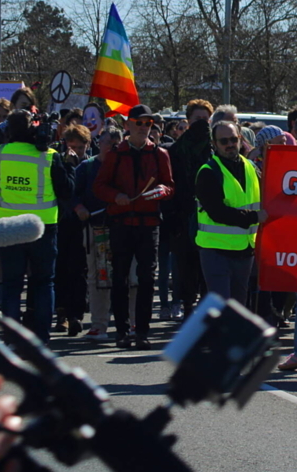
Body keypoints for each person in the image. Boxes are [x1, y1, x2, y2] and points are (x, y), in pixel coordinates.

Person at [93, 104, 174, 351]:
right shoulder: (116, 154)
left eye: (148, 123)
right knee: (120, 278)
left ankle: (142, 332)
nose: (144, 127)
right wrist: (115, 196)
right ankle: (121, 331)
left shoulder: (160, 154)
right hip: (121, 224)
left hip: (149, 225)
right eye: (139, 123)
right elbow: (99, 186)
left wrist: (162, 191)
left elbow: (170, 185)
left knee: (147, 279)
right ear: (128, 125)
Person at [0, 109, 74, 345]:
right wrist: (69, 165)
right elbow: (67, 191)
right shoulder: (49, 156)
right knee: (42, 283)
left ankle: (11, 339)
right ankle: (41, 339)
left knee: (11, 285)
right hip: (42, 226)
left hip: (8, 226)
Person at [195, 120, 264, 303]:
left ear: (240, 139)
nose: (230, 144)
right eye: (224, 141)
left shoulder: (251, 167)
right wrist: (255, 217)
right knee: (222, 307)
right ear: (214, 144)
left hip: (244, 250)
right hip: (216, 251)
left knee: (238, 307)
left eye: (233, 139)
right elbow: (218, 213)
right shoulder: (208, 172)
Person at [75, 127, 122, 340]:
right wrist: (79, 208)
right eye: (108, 143)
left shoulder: (125, 167)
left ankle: (130, 324)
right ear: (99, 144)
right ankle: (98, 325)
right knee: (97, 278)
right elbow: (72, 195)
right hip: (96, 228)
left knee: (130, 278)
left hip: (123, 228)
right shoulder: (86, 168)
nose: (111, 148)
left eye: (116, 144)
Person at [169, 99, 214, 321]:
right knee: (186, 266)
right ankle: (187, 305)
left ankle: (205, 311)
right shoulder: (176, 150)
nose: (202, 123)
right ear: (188, 121)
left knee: (208, 268)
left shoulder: (215, 149)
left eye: (205, 119)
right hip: (184, 215)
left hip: (211, 217)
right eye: (197, 119)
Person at [53, 123, 91, 336]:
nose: (75, 151)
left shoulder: (90, 164)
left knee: (79, 269)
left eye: (80, 147)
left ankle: (76, 314)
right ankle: (61, 313)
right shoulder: (58, 162)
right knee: (60, 268)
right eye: (72, 147)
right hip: (61, 220)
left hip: (82, 222)